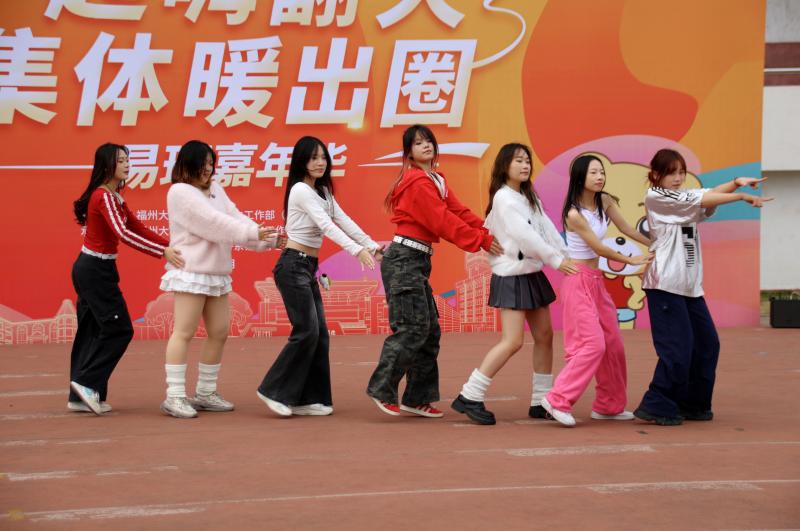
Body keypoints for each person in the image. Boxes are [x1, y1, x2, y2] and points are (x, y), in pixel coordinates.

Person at [366, 124, 503, 418]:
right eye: (418, 143)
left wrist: (488, 229)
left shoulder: (436, 179)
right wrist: (481, 240)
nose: (426, 145)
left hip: (416, 260)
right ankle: (382, 388)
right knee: (412, 328)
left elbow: (457, 211)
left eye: (428, 140)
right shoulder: (416, 182)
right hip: (404, 259)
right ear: (409, 153)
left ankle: (416, 399)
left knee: (429, 331)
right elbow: (441, 221)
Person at [634, 149, 771, 426]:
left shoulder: (683, 198)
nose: (678, 178)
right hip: (665, 284)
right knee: (678, 347)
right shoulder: (657, 197)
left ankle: (693, 403)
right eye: (671, 173)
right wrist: (741, 196)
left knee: (707, 343)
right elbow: (704, 198)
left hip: (689, 287)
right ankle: (658, 404)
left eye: (681, 172)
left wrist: (736, 183)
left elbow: (706, 194)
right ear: (656, 175)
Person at [451, 143, 578, 425]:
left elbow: (546, 229)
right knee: (512, 341)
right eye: (518, 160)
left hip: (530, 273)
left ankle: (541, 401)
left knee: (545, 336)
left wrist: (565, 254)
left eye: (527, 160)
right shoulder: (504, 198)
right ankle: (469, 395)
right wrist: (556, 261)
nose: (525, 165)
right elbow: (525, 236)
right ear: (504, 166)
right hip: (511, 276)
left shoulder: (528, 196)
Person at [257, 136, 381, 417]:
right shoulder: (301, 190)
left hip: (307, 267)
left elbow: (344, 221)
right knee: (307, 331)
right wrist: (356, 250)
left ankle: (310, 399)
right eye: (313, 158)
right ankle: (272, 390)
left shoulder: (323, 192)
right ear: (302, 161)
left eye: (323, 157)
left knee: (319, 334)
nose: (320, 162)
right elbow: (326, 226)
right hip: (292, 266)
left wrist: (372, 247)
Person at [160, 140, 277, 419]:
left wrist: (266, 238)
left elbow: (235, 217)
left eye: (211, 164)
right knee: (184, 332)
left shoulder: (216, 189)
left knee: (219, 332)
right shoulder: (180, 192)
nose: (208, 170)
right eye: (203, 164)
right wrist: (254, 234)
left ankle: (205, 392)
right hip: (191, 271)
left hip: (216, 273)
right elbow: (212, 223)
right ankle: (174, 395)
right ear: (187, 165)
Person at [69, 143, 184, 415]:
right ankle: (86, 384)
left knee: (92, 331)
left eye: (126, 160)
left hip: (97, 269)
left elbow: (138, 228)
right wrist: (162, 252)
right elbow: (123, 233)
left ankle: (80, 396)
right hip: (94, 270)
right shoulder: (103, 197)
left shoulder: (115, 197)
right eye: (120, 161)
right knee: (120, 330)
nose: (126, 164)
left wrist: (171, 245)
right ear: (106, 165)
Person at [541, 154, 652, 427]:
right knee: (592, 344)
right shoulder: (574, 214)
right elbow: (599, 248)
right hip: (577, 281)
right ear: (580, 177)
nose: (600, 177)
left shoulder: (605, 201)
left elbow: (627, 228)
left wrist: (656, 242)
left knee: (613, 345)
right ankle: (557, 399)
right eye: (593, 173)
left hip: (596, 281)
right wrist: (631, 260)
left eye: (601, 172)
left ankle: (608, 405)